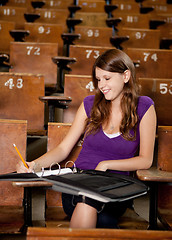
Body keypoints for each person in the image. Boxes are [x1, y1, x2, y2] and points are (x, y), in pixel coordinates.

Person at [16, 48, 157, 229]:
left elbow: (146, 160)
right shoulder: (90, 104)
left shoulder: (144, 107)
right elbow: (63, 149)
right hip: (79, 184)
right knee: (93, 207)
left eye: (107, 78)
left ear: (126, 76)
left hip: (115, 189)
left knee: (101, 216)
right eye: (98, 79)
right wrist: (33, 165)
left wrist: (107, 165)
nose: (101, 85)